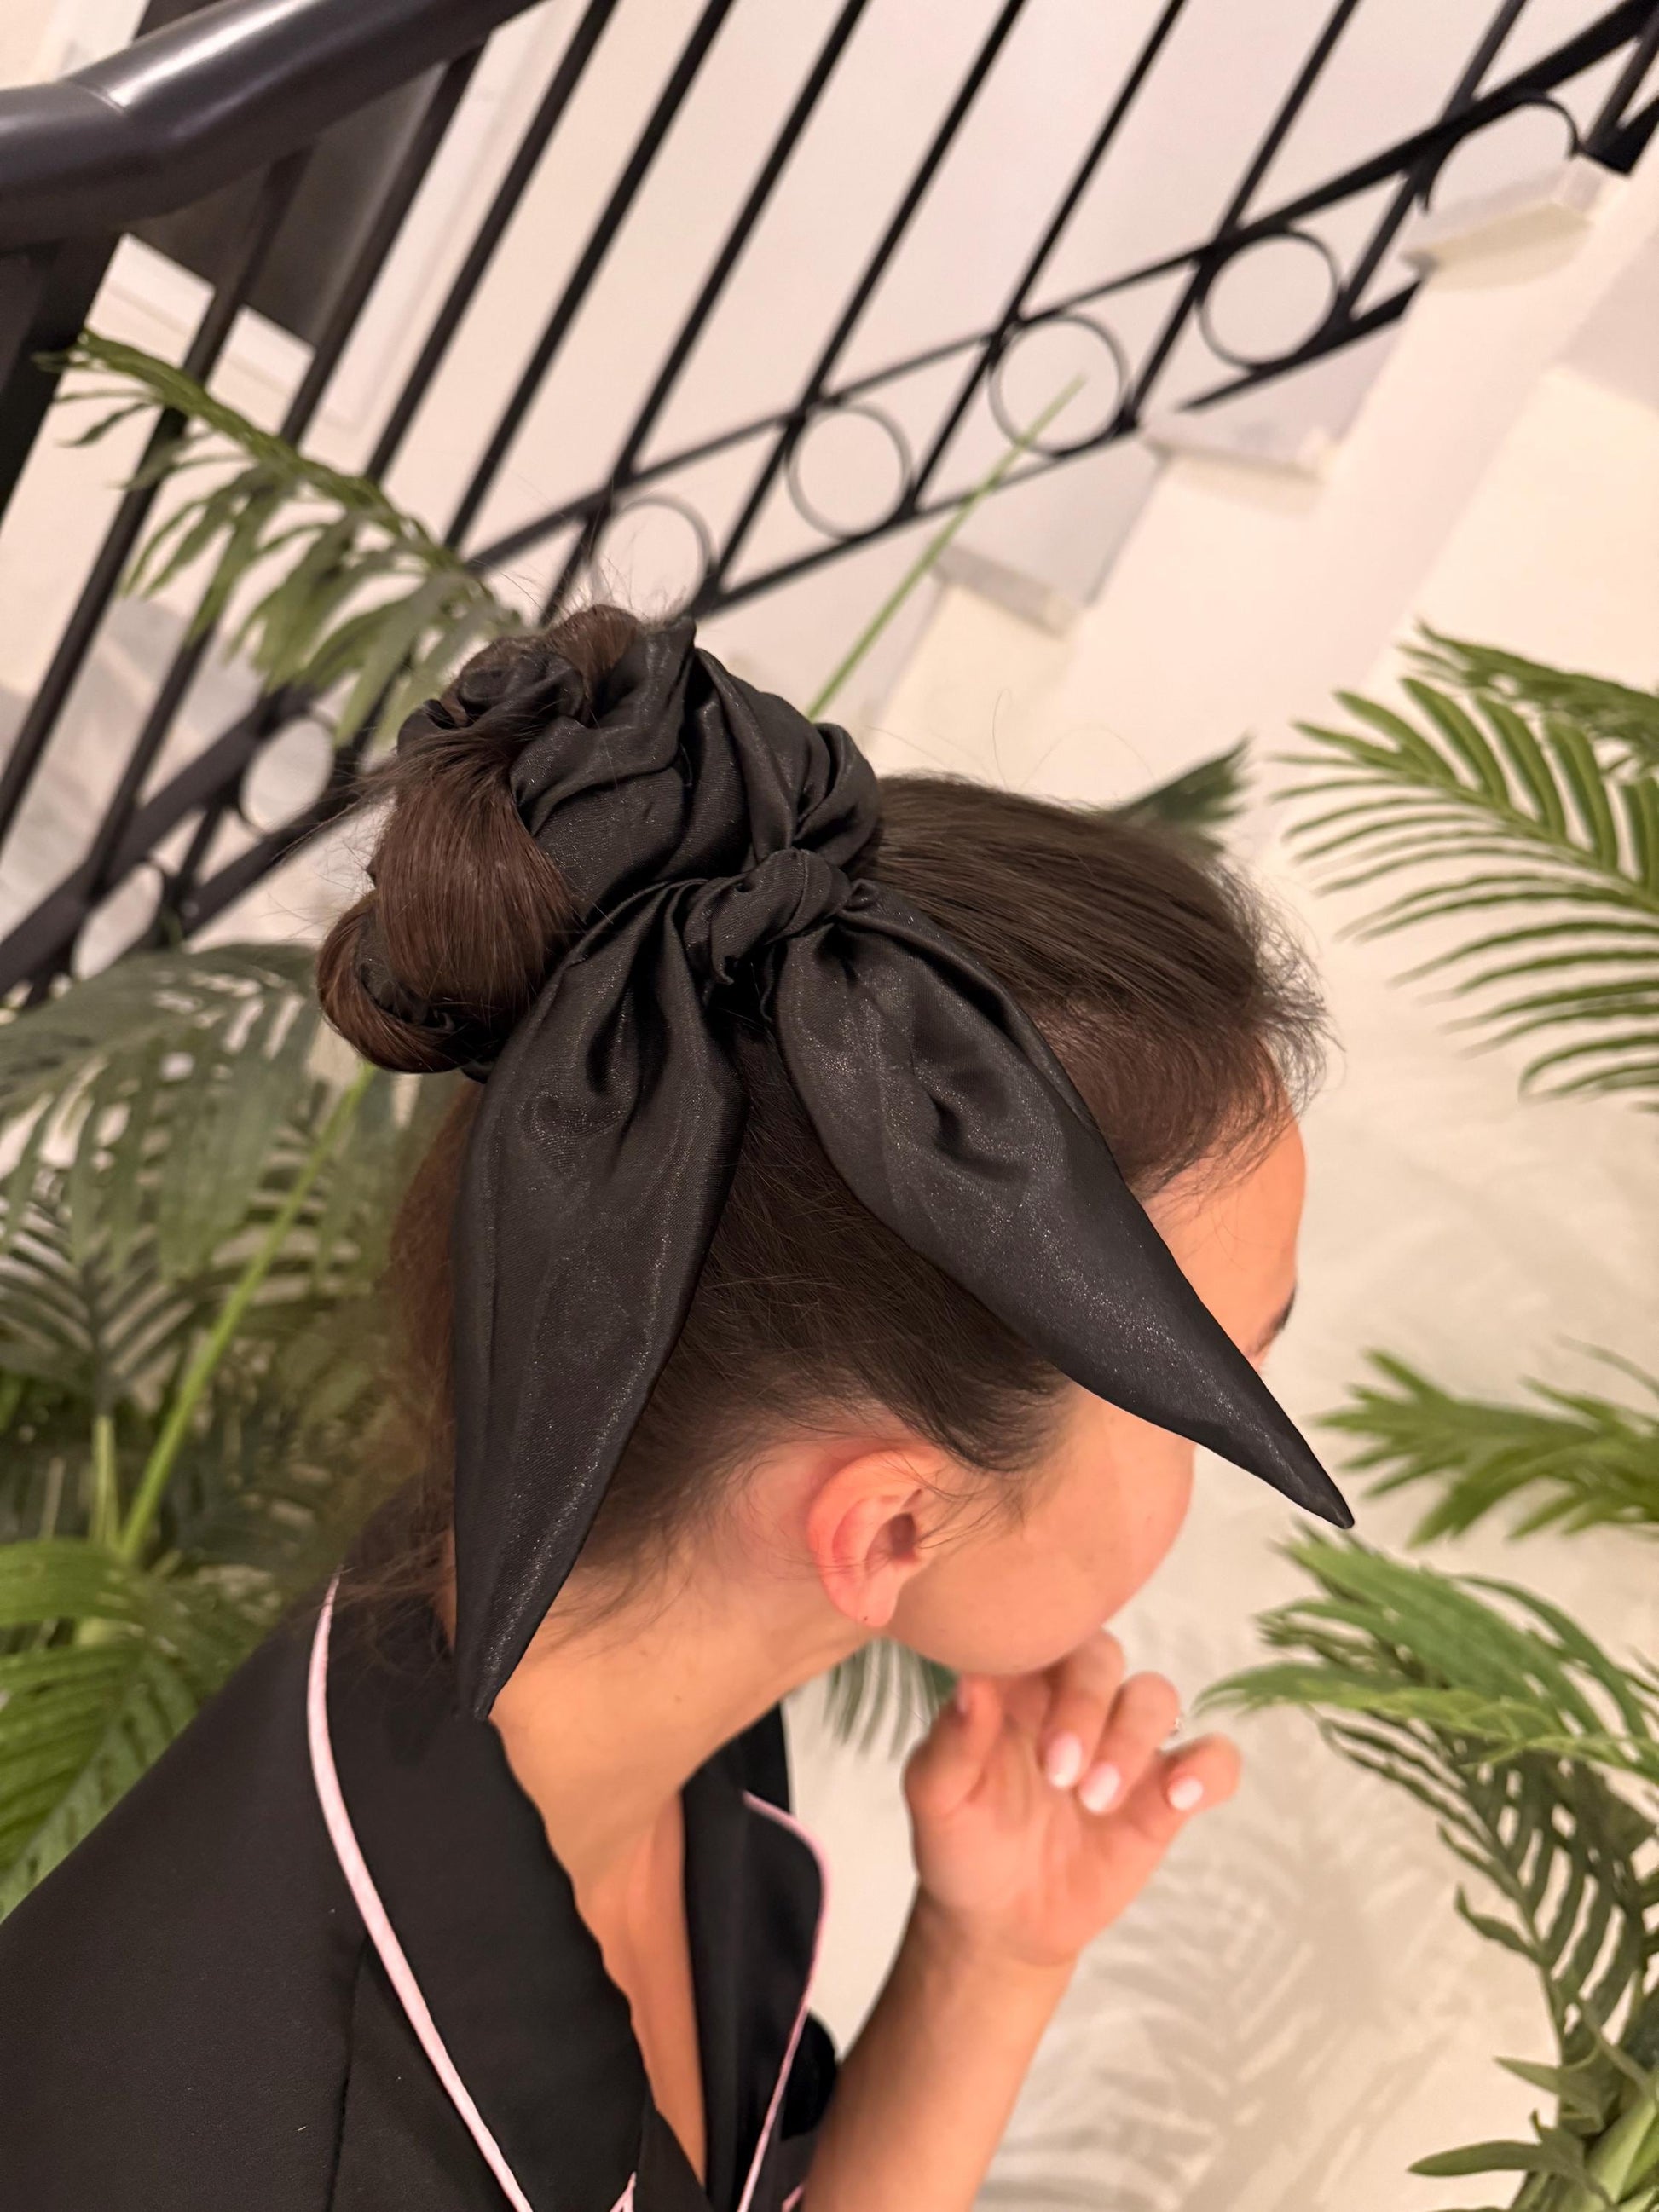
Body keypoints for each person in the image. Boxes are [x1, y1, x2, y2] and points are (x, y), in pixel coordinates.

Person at [0, 606, 1348, 2212]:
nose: (1225, 1442)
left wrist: (992, 1961)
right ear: (889, 1523)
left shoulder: (633, 1727)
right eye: (1208, 1399)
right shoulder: (270, 2152)